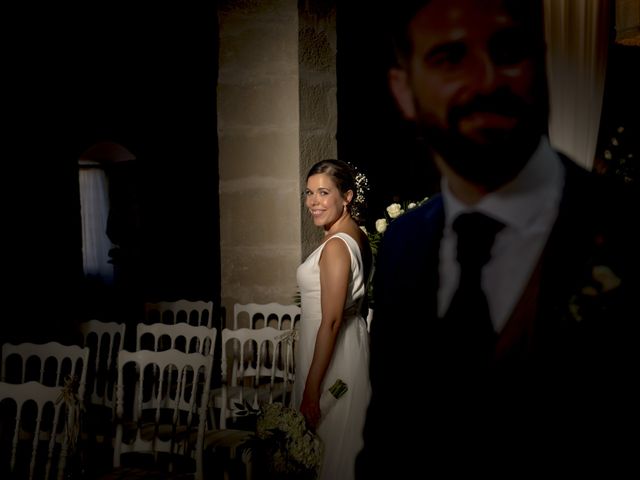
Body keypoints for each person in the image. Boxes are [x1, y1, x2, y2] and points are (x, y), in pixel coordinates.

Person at [355, 0, 639, 477]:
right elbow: (389, 440)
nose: (487, 80)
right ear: (403, 91)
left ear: (540, 64)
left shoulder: (624, 227)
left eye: (509, 51)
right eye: (449, 58)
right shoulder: (405, 243)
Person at [293, 159, 373, 480]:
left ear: (347, 196)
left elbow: (331, 321)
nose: (313, 201)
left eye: (324, 192)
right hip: (347, 350)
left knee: (330, 451)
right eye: (309, 192)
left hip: (333, 363)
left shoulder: (338, 245)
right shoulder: (354, 235)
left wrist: (312, 390)